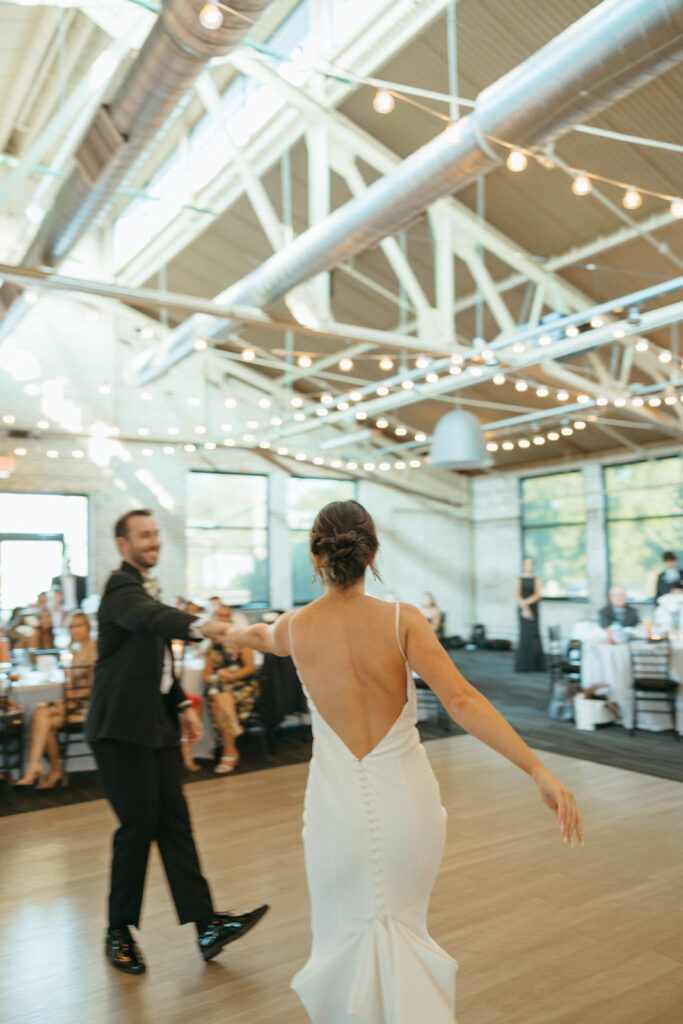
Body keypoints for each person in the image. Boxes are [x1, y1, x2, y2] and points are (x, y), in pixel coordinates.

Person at [220, 500, 582, 1023]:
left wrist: (216, 629)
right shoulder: (402, 620)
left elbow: (254, 636)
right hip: (407, 807)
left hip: (334, 813)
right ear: (372, 552)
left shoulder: (295, 627)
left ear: (316, 554)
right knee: (403, 929)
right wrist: (536, 769)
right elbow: (463, 701)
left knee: (344, 938)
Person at [85, 509, 268, 976]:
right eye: (144, 535)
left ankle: (207, 926)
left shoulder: (142, 591)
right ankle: (118, 931)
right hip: (120, 731)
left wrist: (181, 706)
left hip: (155, 728)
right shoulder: (119, 589)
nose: (154, 541)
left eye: (155, 534)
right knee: (138, 826)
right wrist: (203, 625)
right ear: (123, 545)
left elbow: (155, 659)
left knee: (175, 824)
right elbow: (150, 619)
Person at [15, 611, 97, 789]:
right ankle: (52, 768)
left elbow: (93, 687)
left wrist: (72, 695)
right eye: (72, 626)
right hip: (72, 703)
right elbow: (69, 682)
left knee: (41, 712)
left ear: (87, 627)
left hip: (87, 705)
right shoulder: (73, 649)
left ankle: (38, 767)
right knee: (44, 721)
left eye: (79, 625)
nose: (75, 630)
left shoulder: (93, 649)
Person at [201, 604, 259, 775]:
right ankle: (230, 745)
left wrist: (232, 676)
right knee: (217, 688)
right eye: (220, 615)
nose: (224, 619)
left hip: (243, 686)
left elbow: (250, 667)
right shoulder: (212, 646)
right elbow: (206, 675)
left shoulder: (241, 640)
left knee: (217, 696)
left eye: (227, 616)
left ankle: (229, 750)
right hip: (221, 687)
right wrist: (219, 675)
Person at [514, 556, 545, 672]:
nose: (528, 566)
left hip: (533, 609)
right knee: (524, 635)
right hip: (523, 610)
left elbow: (538, 595)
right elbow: (517, 595)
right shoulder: (518, 579)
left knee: (534, 635)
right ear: (523, 565)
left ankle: (536, 665)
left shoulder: (537, 579)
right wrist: (525, 608)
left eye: (530, 564)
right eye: (526, 564)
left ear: (533, 566)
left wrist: (526, 605)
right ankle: (524, 665)